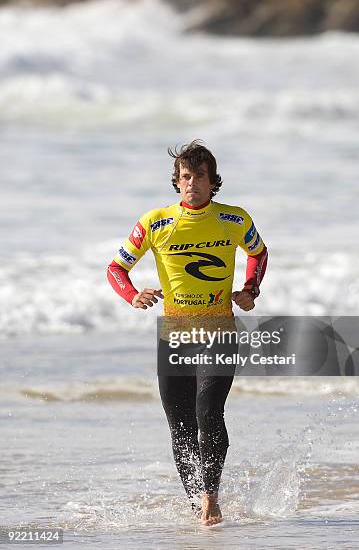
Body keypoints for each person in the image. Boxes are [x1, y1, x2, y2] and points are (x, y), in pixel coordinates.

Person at [107, 141, 268, 525]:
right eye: (184, 177)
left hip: (219, 328)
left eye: (198, 176)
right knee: (180, 426)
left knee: (207, 412)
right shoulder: (155, 222)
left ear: (213, 183)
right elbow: (116, 268)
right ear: (176, 183)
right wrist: (133, 295)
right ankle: (198, 503)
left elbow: (258, 253)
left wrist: (250, 290)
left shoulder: (234, 219)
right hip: (175, 333)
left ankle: (211, 497)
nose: (190, 183)